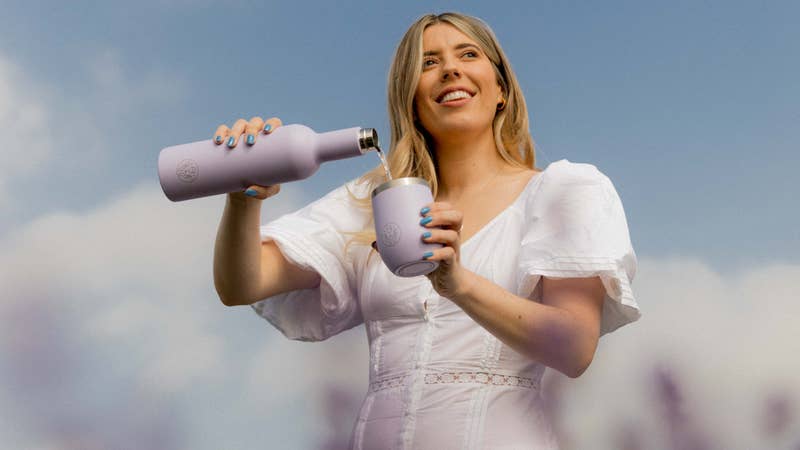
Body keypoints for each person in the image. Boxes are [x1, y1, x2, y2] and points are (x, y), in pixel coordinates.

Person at [212, 12, 640, 449]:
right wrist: (243, 196)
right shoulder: (371, 200)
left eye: (468, 54)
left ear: (502, 91)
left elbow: (573, 348)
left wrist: (457, 284)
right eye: (429, 62)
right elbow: (243, 284)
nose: (450, 68)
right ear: (410, 99)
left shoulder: (563, 191)